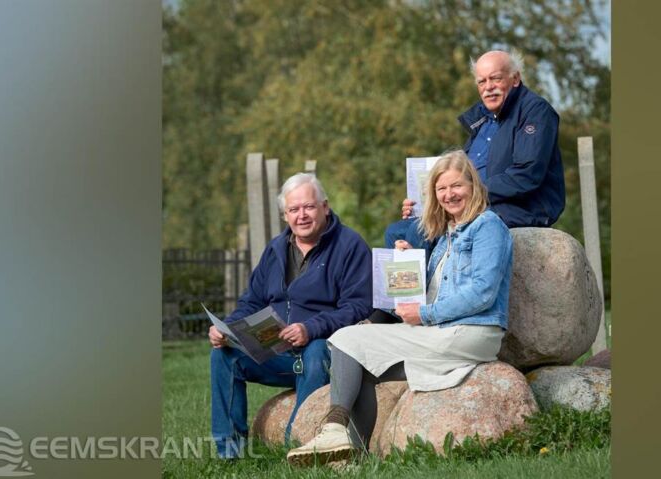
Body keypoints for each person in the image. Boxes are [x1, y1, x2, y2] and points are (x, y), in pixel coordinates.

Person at [286, 150, 513, 466]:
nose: (449, 195)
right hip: (444, 329)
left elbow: (482, 293)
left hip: (471, 332)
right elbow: (435, 292)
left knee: (348, 339)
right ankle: (353, 459)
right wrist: (407, 264)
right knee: (360, 361)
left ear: (473, 185)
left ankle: (333, 427)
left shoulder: (488, 227)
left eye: (456, 186)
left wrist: (423, 314)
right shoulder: (446, 234)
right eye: (441, 188)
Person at [208, 173, 373, 458]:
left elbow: (359, 306)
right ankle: (229, 452)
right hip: (276, 350)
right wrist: (228, 329)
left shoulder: (350, 246)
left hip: (321, 349)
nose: (302, 215)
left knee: (317, 349)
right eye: (294, 210)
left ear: (325, 207)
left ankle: (294, 446)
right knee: (224, 355)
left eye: (308, 207)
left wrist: (311, 328)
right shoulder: (274, 250)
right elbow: (252, 301)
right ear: (286, 215)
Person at [384, 49, 566, 248]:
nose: (488, 87)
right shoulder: (484, 120)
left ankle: (427, 279)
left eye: (495, 79)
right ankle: (418, 278)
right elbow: (462, 174)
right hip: (476, 202)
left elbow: (527, 175)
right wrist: (424, 202)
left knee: (419, 231)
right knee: (397, 230)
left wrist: (470, 193)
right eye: (482, 81)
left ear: (515, 79)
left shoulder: (536, 111)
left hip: (520, 206)